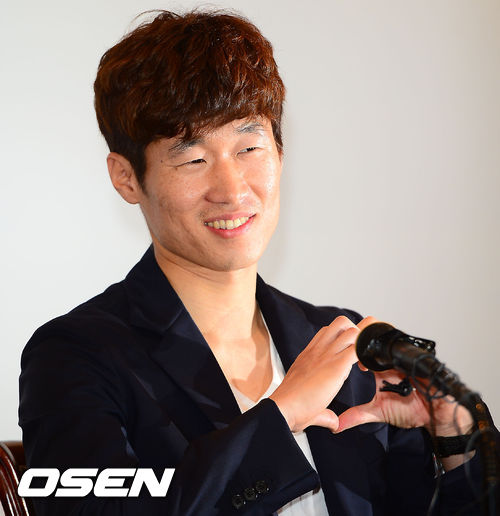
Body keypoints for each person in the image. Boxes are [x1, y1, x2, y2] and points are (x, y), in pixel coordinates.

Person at [18, 9, 494, 516]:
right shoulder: (74, 357)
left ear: (281, 154)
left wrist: (455, 438)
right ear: (126, 177)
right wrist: (281, 414)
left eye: (249, 147)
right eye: (193, 159)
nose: (232, 189)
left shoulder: (345, 347)